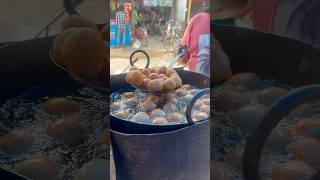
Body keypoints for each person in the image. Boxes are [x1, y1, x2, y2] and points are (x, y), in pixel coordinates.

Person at [177, 0, 210, 77]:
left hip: (197, 83)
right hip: (196, 82)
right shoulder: (197, 19)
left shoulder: (197, 19)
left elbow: (183, 59)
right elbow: (183, 58)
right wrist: (179, 53)